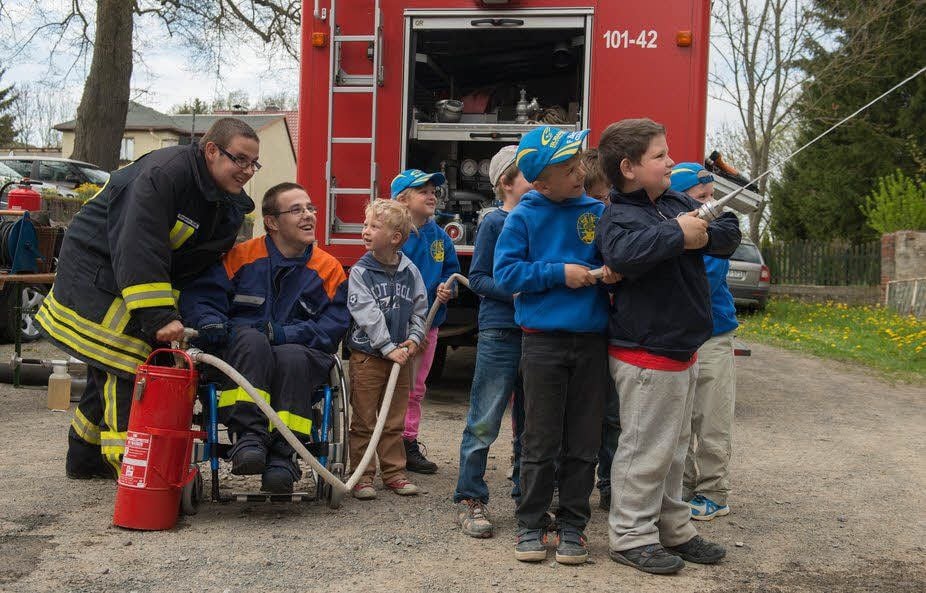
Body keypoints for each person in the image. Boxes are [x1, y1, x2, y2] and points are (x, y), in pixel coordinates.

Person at [38, 118, 259, 479]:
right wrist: (157, 315)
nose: (248, 171)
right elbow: (139, 244)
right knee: (125, 365)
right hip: (98, 273)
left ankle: (84, 456)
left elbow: (198, 264)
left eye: (254, 163)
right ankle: (135, 471)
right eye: (241, 160)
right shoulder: (164, 174)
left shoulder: (227, 204)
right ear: (212, 150)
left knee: (108, 367)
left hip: (133, 278)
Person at [595, 118, 741, 575]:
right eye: (660, 155)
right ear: (629, 168)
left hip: (682, 350)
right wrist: (680, 235)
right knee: (644, 449)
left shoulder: (677, 201)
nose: (671, 161)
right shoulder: (618, 215)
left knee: (674, 450)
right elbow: (622, 255)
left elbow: (728, 232)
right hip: (646, 353)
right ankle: (631, 536)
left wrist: (699, 227)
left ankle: (673, 528)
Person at [494, 126, 617, 565]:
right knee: (540, 441)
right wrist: (559, 272)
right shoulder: (523, 216)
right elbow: (507, 275)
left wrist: (612, 272)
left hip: (590, 343)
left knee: (584, 441)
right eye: (567, 169)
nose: (580, 172)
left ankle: (573, 527)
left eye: (579, 162)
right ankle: (530, 524)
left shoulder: (600, 211)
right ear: (541, 182)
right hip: (542, 344)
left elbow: (613, 261)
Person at [179, 182, 350, 493]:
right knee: (251, 339)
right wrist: (209, 321)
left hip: (301, 360)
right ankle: (249, 438)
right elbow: (202, 297)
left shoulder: (328, 269)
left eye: (310, 208)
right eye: (296, 210)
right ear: (272, 222)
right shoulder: (240, 257)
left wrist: (285, 333)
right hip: (240, 357)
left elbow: (333, 326)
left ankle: (284, 457)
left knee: (290, 354)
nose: (308, 215)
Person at [453, 145, 530, 538]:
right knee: (484, 419)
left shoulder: (541, 218)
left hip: (537, 333)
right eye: (529, 174)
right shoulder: (493, 223)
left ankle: (527, 495)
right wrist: (516, 292)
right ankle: (471, 497)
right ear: (506, 183)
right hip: (501, 330)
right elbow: (479, 278)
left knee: (531, 422)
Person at [670, 163, 739, 520]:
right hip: (679, 339)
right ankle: (681, 484)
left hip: (713, 335)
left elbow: (703, 280)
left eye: (712, 194)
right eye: (702, 197)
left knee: (711, 417)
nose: (712, 202)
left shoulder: (716, 235)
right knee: (679, 418)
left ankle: (714, 490)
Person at [346, 199, 428, 499]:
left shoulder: (410, 271)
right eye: (365, 224)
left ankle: (393, 472)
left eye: (373, 226)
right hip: (368, 357)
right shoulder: (360, 272)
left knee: (394, 419)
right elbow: (366, 313)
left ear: (395, 238)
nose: (365, 231)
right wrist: (386, 345)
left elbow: (420, 308)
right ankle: (362, 475)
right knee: (365, 420)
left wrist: (415, 338)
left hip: (400, 359)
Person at [391, 169, 461, 474]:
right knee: (390, 384)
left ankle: (408, 442)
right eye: (423, 191)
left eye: (434, 191)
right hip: (394, 327)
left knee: (416, 387)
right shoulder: (394, 236)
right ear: (403, 200)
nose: (432, 196)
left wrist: (450, 286)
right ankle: (384, 442)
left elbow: (451, 271)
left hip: (428, 325)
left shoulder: (440, 237)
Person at [581, 148, 621, 511]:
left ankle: (609, 484)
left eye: (609, 196)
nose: (604, 204)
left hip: (615, 329)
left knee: (613, 414)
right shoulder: (583, 222)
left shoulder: (616, 220)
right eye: (598, 197)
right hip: (586, 329)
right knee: (581, 413)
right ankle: (572, 484)